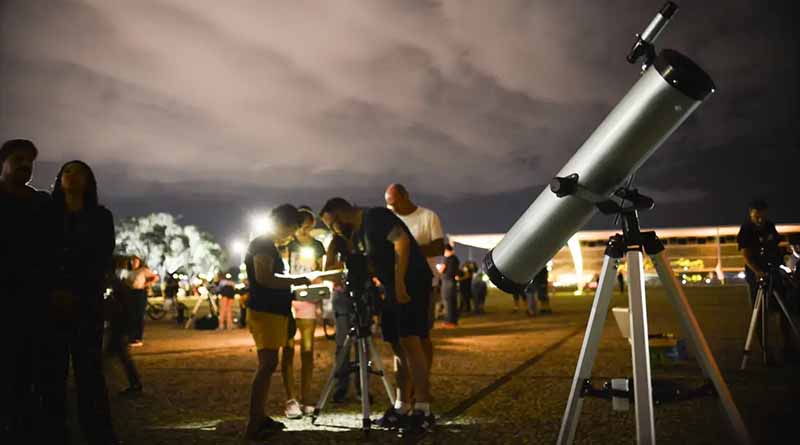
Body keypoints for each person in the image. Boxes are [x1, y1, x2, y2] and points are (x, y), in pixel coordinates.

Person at [320, 198, 435, 434]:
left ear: (342, 213)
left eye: (333, 224)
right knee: (397, 344)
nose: (335, 229)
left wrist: (401, 282)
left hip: (411, 282)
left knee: (411, 341)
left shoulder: (375, 217)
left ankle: (423, 408)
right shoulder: (359, 234)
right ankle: (402, 405)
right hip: (391, 287)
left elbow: (401, 242)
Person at [39, 160, 118, 444]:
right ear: (59, 179)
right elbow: (39, 256)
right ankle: (55, 432)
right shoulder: (45, 213)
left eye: (79, 172)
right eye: (67, 171)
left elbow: (100, 258)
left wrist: (78, 290)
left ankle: (98, 433)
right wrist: (54, 289)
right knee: (53, 373)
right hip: (50, 304)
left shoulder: (100, 217)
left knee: (90, 373)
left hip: (86, 304)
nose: (72, 177)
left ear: (89, 181)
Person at [243, 204, 316, 441]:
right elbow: (264, 278)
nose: (290, 235)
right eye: (291, 229)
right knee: (266, 365)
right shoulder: (263, 245)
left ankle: (259, 417)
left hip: (272, 312)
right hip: (266, 313)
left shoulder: (266, 245)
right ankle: (255, 421)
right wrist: (297, 281)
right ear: (282, 224)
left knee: (268, 364)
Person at [0, 139, 53, 440]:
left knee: (29, 373)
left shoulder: (41, 204)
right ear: (3, 162)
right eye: (17, 159)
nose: (24, 165)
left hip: (34, 302)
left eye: (29, 161)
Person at [385, 184, 443, 373]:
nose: (391, 208)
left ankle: (423, 381)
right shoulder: (391, 220)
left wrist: (408, 251)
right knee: (402, 336)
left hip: (424, 282)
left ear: (405, 196)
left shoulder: (428, 217)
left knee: (422, 335)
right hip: (398, 283)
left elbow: (438, 247)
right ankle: (407, 383)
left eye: (394, 203)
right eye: (388, 204)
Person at [737, 199, 799, 365]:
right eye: (756, 216)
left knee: (784, 308)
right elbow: (745, 254)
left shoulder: (769, 226)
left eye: (762, 216)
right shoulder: (746, 230)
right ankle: (767, 352)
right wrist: (757, 271)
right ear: (751, 214)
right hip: (757, 276)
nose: (759, 220)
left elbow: (775, 246)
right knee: (761, 315)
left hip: (773, 272)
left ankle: (789, 348)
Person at [281, 207, 326, 418]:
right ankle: (291, 399)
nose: (305, 231)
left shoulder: (317, 246)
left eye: (309, 227)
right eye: (302, 227)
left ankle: (307, 397)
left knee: (307, 351)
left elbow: (321, 271)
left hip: (308, 298)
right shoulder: (287, 245)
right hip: (288, 299)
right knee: (288, 349)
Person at [124, 255, 158, 346]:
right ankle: (132, 337)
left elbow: (155, 277)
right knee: (131, 315)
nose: (134, 263)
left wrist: (146, 284)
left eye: (136, 261)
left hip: (140, 293)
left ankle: (138, 338)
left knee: (139, 315)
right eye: (132, 261)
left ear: (139, 262)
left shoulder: (143, 270)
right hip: (131, 293)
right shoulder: (129, 272)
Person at [440, 244, 460, 327]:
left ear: (446, 250)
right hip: (453, 282)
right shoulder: (456, 259)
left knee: (447, 302)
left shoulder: (447, 259)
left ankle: (449, 322)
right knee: (453, 302)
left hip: (447, 282)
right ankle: (454, 321)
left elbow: (441, 270)